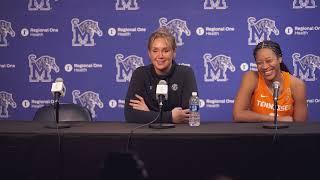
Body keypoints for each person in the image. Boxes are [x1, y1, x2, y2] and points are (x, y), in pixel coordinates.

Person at [124, 27, 198, 123]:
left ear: (174, 52)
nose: (160, 56)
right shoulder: (140, 74)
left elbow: (188, 115)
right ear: (149, 53)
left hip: (178, 134)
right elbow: (130, 115)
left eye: (165, 51)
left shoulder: (186, 73)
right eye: (155, 51)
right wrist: (170, 117)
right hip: (147, 135)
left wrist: (148, 113)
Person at [233, 40, 307, 122]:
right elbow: (238, 115)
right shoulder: (251, 77)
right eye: (259, 63)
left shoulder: (297, 84)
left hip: (285, 133)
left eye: (269, 61)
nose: (264, 66)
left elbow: (300, 126)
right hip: (257, 133)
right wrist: (278, 120)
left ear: (279, 58)